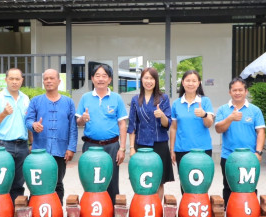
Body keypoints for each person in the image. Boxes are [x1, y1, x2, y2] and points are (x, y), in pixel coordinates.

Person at [76, 64, 127, 205]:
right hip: (90, 146)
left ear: (110, 79)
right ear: (92, 79)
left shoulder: (116, 98)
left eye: (104, 76)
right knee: (91, 180)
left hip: (112, 146)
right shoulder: (85, 98)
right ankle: (92, 211)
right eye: (97, 76)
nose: (101, 79)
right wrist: (82, 119)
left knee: (111, 181)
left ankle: (112, 213)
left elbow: (122, 124)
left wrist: (122, 148)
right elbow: (79, 122)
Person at [25, 69, 78, 205]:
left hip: (60, 151)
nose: (48, 81)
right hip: (40, 151)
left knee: (57, 183)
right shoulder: (36, 101)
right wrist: (34, 125)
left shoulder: (68, 102)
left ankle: (57, 211)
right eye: (46, 78)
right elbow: (28, 120)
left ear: (59, 81)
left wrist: (71, 148)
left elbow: (73, 127)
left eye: (52, 78)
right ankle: (37, 211)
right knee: (38, 183)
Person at [215, 77, 265, 209]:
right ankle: (228, 214)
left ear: (246, 91)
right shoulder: (223, 110)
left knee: (250, 187)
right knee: (228, 186)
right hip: (228, 156)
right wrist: (230, 118)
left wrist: (258, 152)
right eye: (234, 90)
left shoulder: (255, 110)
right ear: (229, 92)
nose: (237, 92)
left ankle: (251, 213)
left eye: (240, 90)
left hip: (250, 158)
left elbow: (261, 132)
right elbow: (219, 129)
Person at [128, 67, 173, 201]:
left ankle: (157, 209)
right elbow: (132, 125)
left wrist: (162, 115)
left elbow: (167, 123)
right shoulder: (136, 100)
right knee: (141, 178)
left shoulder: (163, 98)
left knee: (158, 180)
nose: (149, 81)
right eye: (146, 78)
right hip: (141, 145)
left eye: (151, 78)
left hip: (159, 144)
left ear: (156, 81)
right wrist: (131, 148)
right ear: (141, 80)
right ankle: (143, 208)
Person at [0, 68, 30, 203]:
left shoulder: (25, 98)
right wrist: (4, 113)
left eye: (18, 79)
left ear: (22, 80)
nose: (14, 82)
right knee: (2, 183)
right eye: (11, 79)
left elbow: (28, 124)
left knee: (18, 183)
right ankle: (2, 214)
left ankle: (15, 216)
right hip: (3, 146)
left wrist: (31, 144)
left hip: (22, 146)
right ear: (6, 80)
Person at [169, 70, 214, 193]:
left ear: (199, 83)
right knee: (185, 183)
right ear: (183, 83)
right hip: (182, 149)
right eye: (188, 80)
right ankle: (186, 210)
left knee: (201, 183)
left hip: (202, 149)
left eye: (194, 81)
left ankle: (200, 210)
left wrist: (204, 115)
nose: (191, 83)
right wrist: (172, 149)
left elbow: (209, 124)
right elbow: (173, 127)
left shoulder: (205, 101)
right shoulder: (176, 104)